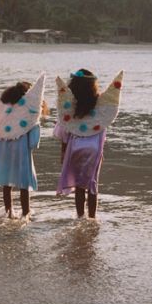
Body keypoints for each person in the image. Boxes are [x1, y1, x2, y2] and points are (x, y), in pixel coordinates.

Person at [54, 69, 123, 219]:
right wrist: (100, 153)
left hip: (75, 147)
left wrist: (63, 152)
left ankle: (80, 217)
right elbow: (102, 129)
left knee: (79, 187)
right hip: (94, 148)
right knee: (92, 185)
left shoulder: (70, 106)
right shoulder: (99, 105)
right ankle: (92, 218)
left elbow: (64, 131)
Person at [0, 75, 46, 219]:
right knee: (23, 183)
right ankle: (26, 212)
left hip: (3, 150)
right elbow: (33, 140)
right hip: (21, 152)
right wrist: (32, 145)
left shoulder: (2, 110)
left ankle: (9, 211)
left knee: (6, 183)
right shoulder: (28, 115)